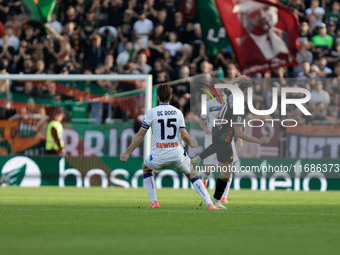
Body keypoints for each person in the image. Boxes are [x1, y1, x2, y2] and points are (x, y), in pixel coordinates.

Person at [120, 84, 219, 210]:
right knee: (193, 174)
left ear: (157, 97)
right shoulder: (178, 113)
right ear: (171, 96)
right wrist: (190, 143)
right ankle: (209, 203)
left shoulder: (151, 113)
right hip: (177, 154)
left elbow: (140, 135)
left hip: (159, 155)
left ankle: (154, 202)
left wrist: (127, 152)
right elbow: (184, 135)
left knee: (146, 168)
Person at [191, 79, 270, 209]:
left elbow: (223, 87)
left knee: (226, 165)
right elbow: (239, 133)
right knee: (226, 172)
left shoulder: (232, 95)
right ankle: (216, 201)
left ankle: (197, 159)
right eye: (247, 93)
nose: (249, 96)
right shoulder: (238, 106)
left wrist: (239, 78)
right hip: (224, 138)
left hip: (216, 131)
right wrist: (258, 141)